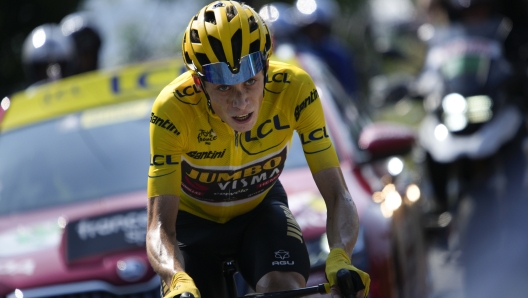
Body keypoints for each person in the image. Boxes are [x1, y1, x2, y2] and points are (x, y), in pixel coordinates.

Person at [145, 1, 370, 298]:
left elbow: (338, 195)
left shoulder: (296, 89)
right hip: (192, 224)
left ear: (265, 67)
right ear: (200, 84)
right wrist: (175, 279)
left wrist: (340, 256)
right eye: (223, 87)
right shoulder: (172, 109)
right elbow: (160, 227)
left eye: (250, 81)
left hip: (259, 211)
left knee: (283, 287)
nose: (241, 102)